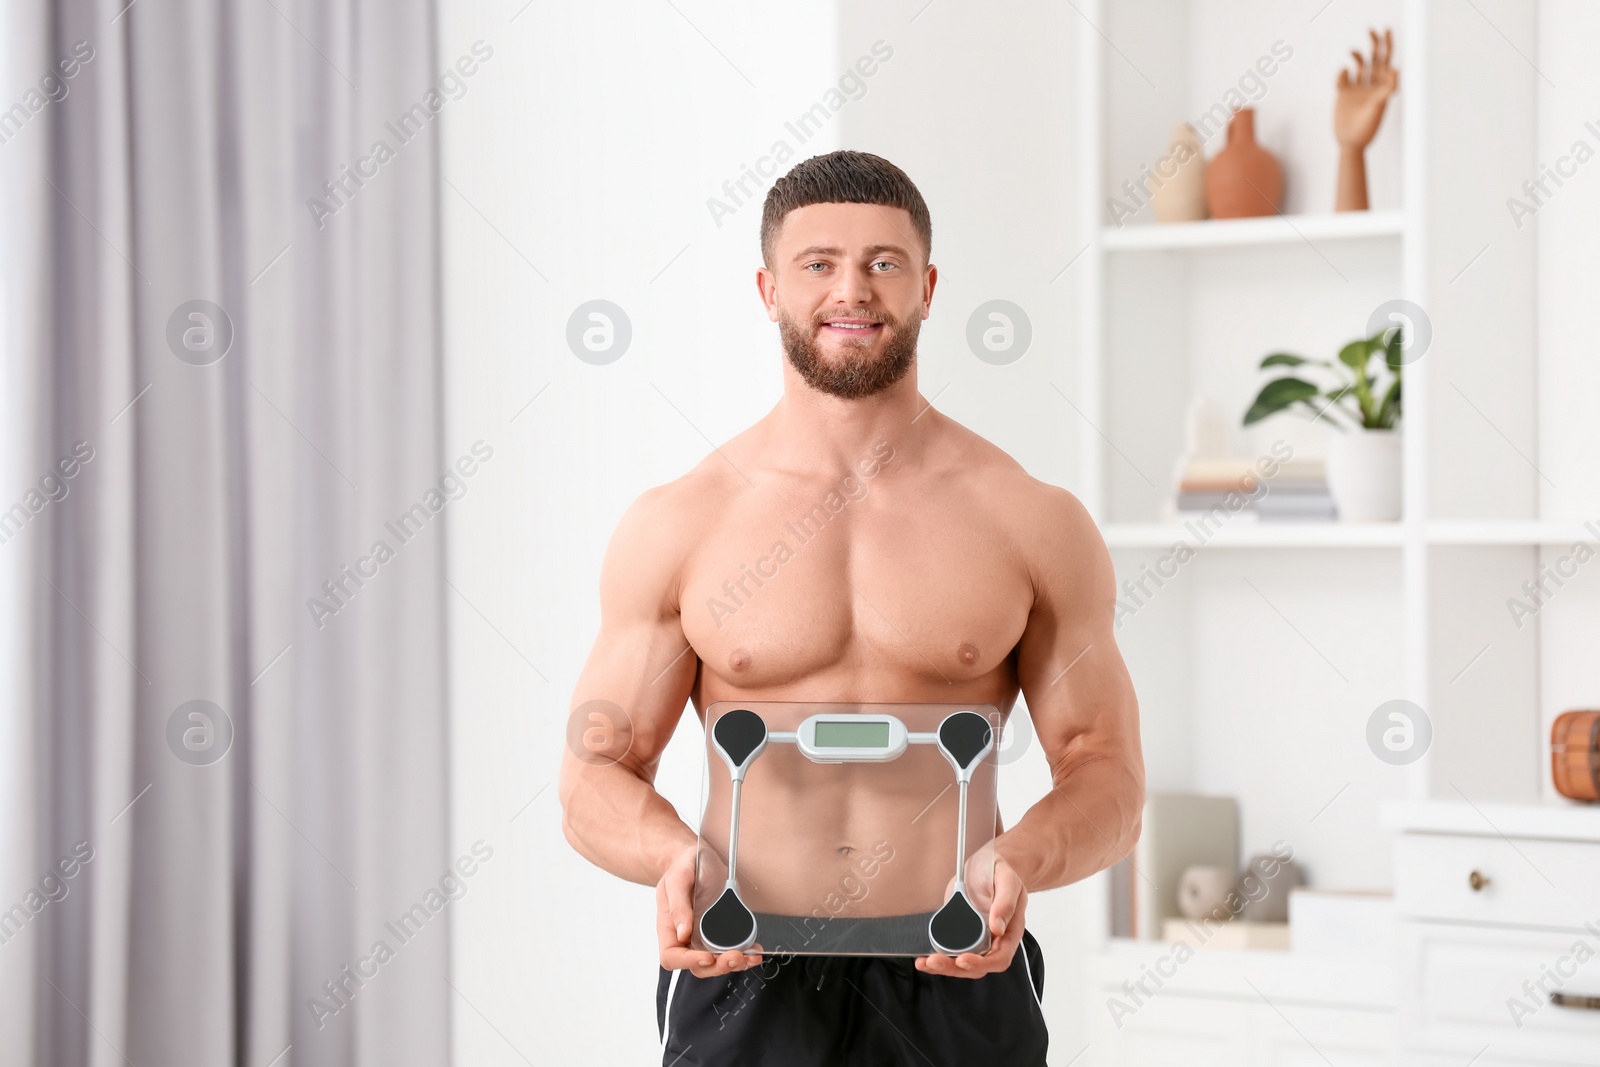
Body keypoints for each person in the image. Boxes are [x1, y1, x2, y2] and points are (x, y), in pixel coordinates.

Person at [559, 149, 1144, 1066]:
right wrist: (669, 856)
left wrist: (1021, 859)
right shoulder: (682, 522)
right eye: (819, 263)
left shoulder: (1031, 519)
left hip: (957, 964)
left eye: (883, 262)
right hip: (740, 961)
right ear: (767, 287)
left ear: (928, 286)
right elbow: (595, 770)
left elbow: (1107, 773)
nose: (853, 290)